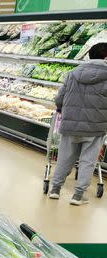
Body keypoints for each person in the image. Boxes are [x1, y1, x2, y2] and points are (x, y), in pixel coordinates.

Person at [49, 42, 107, 206]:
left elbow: (59, 98)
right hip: (95, 127)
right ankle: (78, 195)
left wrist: (61, 109)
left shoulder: (73, 73)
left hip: (70, 124)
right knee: (87, 161)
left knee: (64, 158)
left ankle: (55, 189)